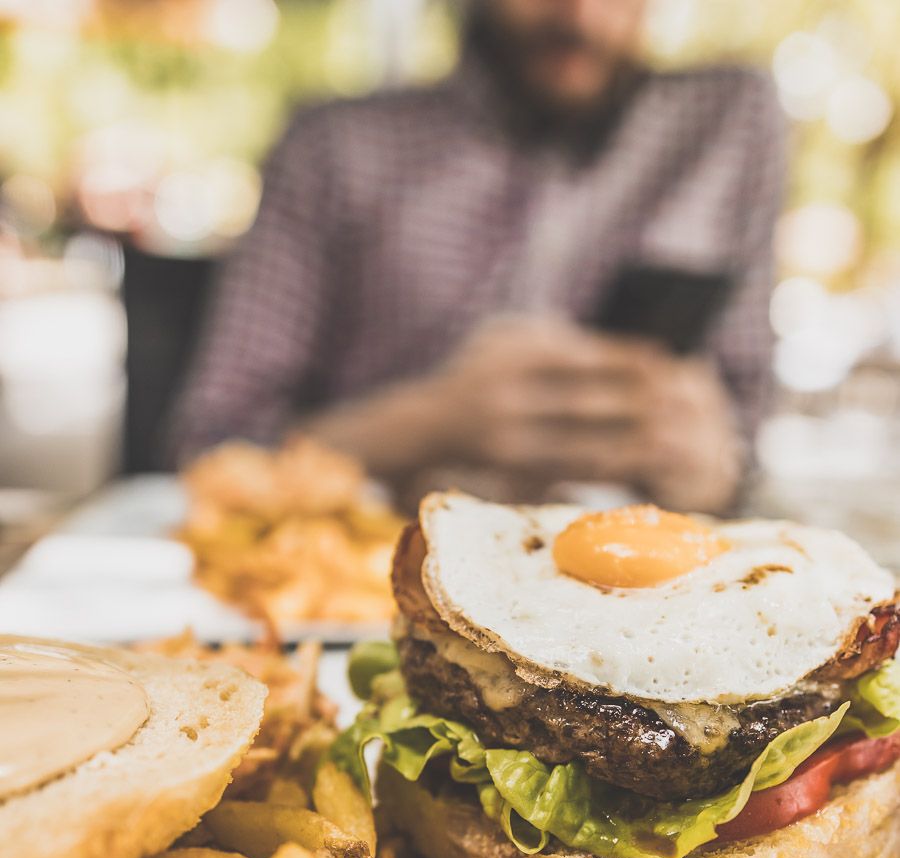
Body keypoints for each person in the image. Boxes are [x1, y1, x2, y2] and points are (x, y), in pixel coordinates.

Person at [169, 0, 785, 513]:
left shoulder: (727, 125)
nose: (580, 16)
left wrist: (713, 471)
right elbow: (209, 448)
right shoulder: (335, 149)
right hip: (366, 590)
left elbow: (749, 444)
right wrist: (433, 420)